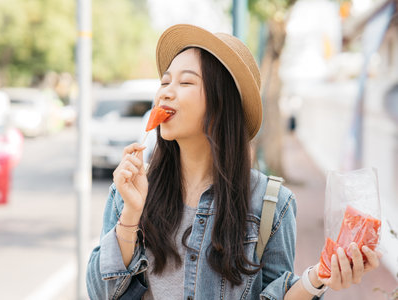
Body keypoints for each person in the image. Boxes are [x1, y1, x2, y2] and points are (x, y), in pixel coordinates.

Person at [86, 24, 381, 300]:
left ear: (220, 103)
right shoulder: (131, 193)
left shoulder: (272, 205)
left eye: (186, 81)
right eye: (165, 81)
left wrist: (320, 277)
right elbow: (101, 292)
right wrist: (132, 214)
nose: (165, 91)